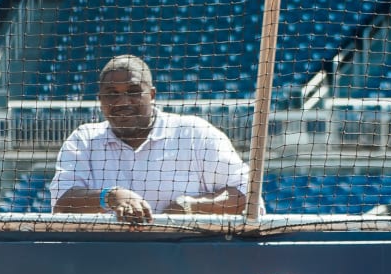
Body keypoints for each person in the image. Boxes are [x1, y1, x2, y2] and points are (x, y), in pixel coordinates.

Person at [49, 55, 248, 224]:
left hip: (188, 256)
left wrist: (189, 207)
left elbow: (246, 195)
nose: (123, 102)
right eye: (112, 94)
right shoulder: (84, 139)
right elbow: (61, 204)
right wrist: (109, 196)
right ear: (100, 99)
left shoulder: (195, 133)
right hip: (108, 257)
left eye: (133, 91)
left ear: (152, 95)